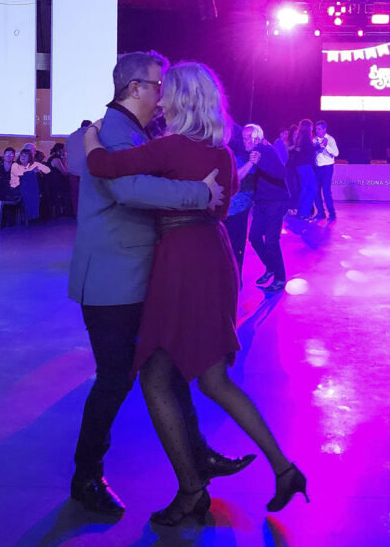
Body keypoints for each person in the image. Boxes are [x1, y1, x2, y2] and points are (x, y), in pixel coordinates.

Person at [85, 62, 306, 525]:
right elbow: (221, 207)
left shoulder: (169, 146)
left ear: (181, 99)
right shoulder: (222, 152)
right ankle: (283, 470)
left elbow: (105, 167)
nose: (159, 96)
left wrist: (88, 135)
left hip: (181, 261)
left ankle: (191, 492)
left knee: (154, 376)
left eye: (167, 90)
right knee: (213, 380)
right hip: (214, 257)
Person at [67, 51, 241, 517]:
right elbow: (124, 190)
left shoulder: (131, 133)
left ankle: (196, 456)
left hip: (137, 277)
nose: (164, 92)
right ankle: (87, 476)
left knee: (163, 368)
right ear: (135, 88)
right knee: (115, 380)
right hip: (111, 280)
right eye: (157, 84)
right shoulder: (111, 133)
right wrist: (200, 193)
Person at [245, 123, 290, 292]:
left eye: (248, 137)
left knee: (271, 240)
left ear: (257, 137)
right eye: (243, 138)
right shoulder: (252, 153)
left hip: (276, 201)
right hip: (262, 202)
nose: (245, 141)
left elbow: (281, 173)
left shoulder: (266, 150)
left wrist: (259, 161)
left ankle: (280, 277)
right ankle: (271, 267)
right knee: (255, 237)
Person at [224, 125, 256, 277]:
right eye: (244, 138)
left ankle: (235, 277)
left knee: (236, 243)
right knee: (231, 244)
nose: (247, 141)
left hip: (239, 206)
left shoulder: (247, 155)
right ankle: (233, 277)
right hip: (229, 206)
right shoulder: (230, 154)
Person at [9, 148, 50, 222]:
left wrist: (39, 168)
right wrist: (31, 172)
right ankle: (32, 214)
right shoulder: (15, 165)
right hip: (15, 189)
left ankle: (33, 214)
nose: (23, 157)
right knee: (29, 179)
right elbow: (19, 174)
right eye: (22, 155)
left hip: (28, 189)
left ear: (30, 157)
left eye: (26, 155)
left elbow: (47, 170)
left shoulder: (33, 165)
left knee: (31, 183)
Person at [289, 119, 317, 219]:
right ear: (309, 127)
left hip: (299, 166)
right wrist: (318, 146)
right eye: (312, 126)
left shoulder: (299, 136)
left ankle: (301, 212)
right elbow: (309, 150)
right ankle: (305, 213)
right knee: (312, 188)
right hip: (305, 166)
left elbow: (300, 150)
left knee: (305, 188)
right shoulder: (306, 137)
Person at [311, 120, 339, 221]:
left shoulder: (330, 139)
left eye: (319, 129)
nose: (317, 131)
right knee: (315, 191)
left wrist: (326, 145)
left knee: (326, 191)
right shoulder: (314, 140)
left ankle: (332, 214)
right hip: (317, 168)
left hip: (327, 168)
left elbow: (336, 153)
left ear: (324, 129)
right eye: (316, 129)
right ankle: (321, 213)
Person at [65, 120, 92, 217]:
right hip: (85, 172)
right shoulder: (89, 135)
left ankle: (77, 215)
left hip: (72, 171)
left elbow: (66, 151)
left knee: (75, 195)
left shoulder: (71, 136)